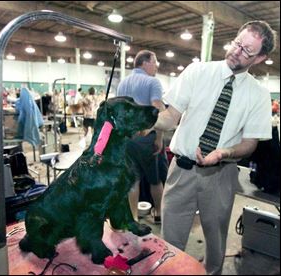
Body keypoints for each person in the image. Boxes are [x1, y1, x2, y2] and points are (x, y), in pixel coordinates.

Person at [153, 21, 277, 275]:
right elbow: (169, 117)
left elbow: (250, 143)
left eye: (247, 51)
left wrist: (224, 153)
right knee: (170, 239)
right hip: (182, 170)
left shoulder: (259, 96)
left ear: (261, 57)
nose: (237, 52)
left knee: (216, 240)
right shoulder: (197, 72)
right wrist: (141, 120)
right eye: (237, 43)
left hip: (221, 175)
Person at [117, 50, 168, 224]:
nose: (156, 66)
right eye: (155, 62)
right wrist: (159, 138)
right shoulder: (153, 82)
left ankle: (133, 217)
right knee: (155, 180)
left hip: (127, 139)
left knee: (133, 179)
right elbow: (157, 110)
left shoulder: (123, 83)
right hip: (147, 138)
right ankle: (159, 214)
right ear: (145, 63)